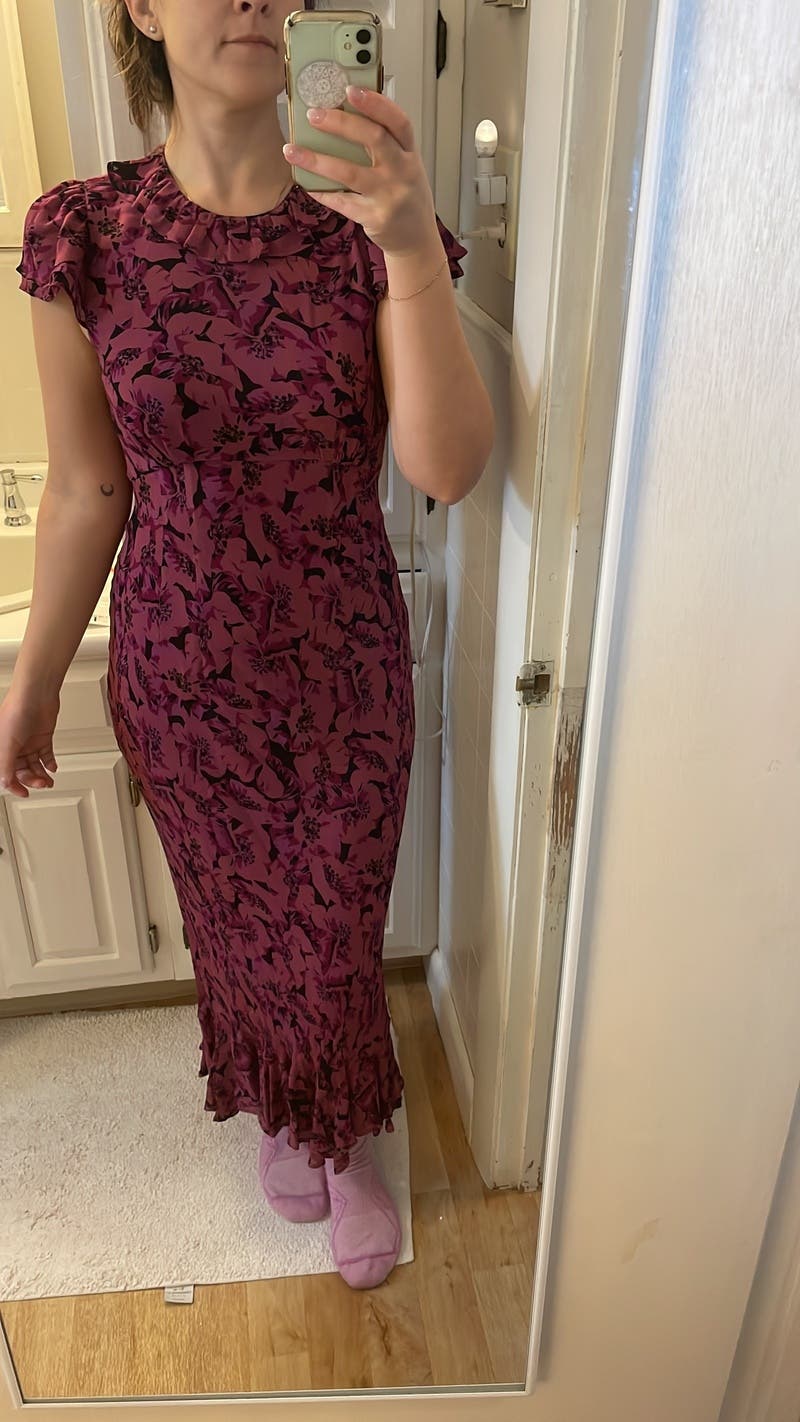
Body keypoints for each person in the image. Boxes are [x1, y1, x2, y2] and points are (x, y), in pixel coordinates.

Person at [1, 0, 494, 1290]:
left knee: (333, 931)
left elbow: (447, 467)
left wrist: (409, 247)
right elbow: (87, 489)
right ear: (141, 10)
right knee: (231, 926)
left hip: (343, 666)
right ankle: (283, 1105)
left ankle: (346, 1135)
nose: (256, 0)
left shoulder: (367, 229)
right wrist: (35, 683)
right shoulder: (87, 234)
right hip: (179, 673)